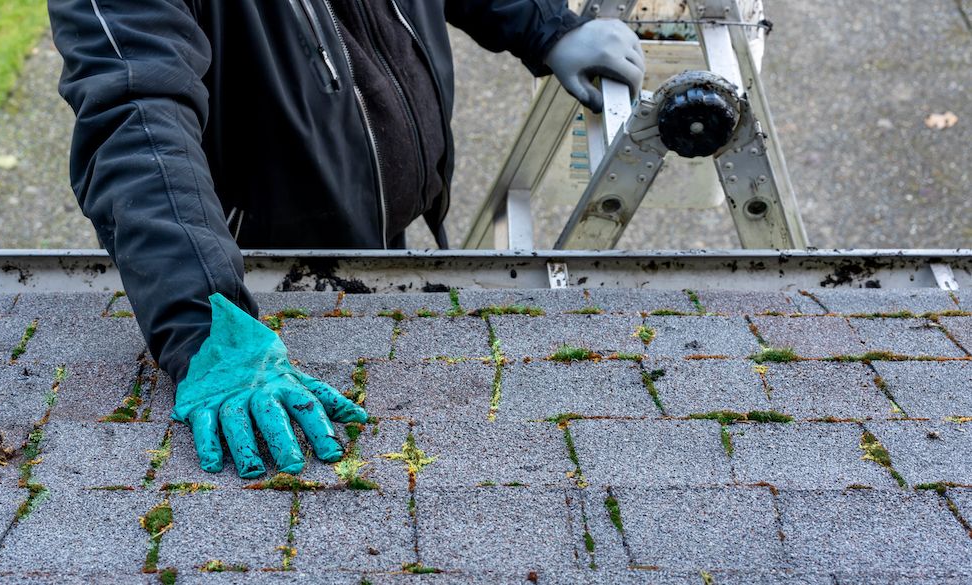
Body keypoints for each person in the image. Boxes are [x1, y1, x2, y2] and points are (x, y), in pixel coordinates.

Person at [48, 0, 645, 478]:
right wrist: (205, 321)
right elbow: (135, 115)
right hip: (255, 283)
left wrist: (543, 24)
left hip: (382, 232)